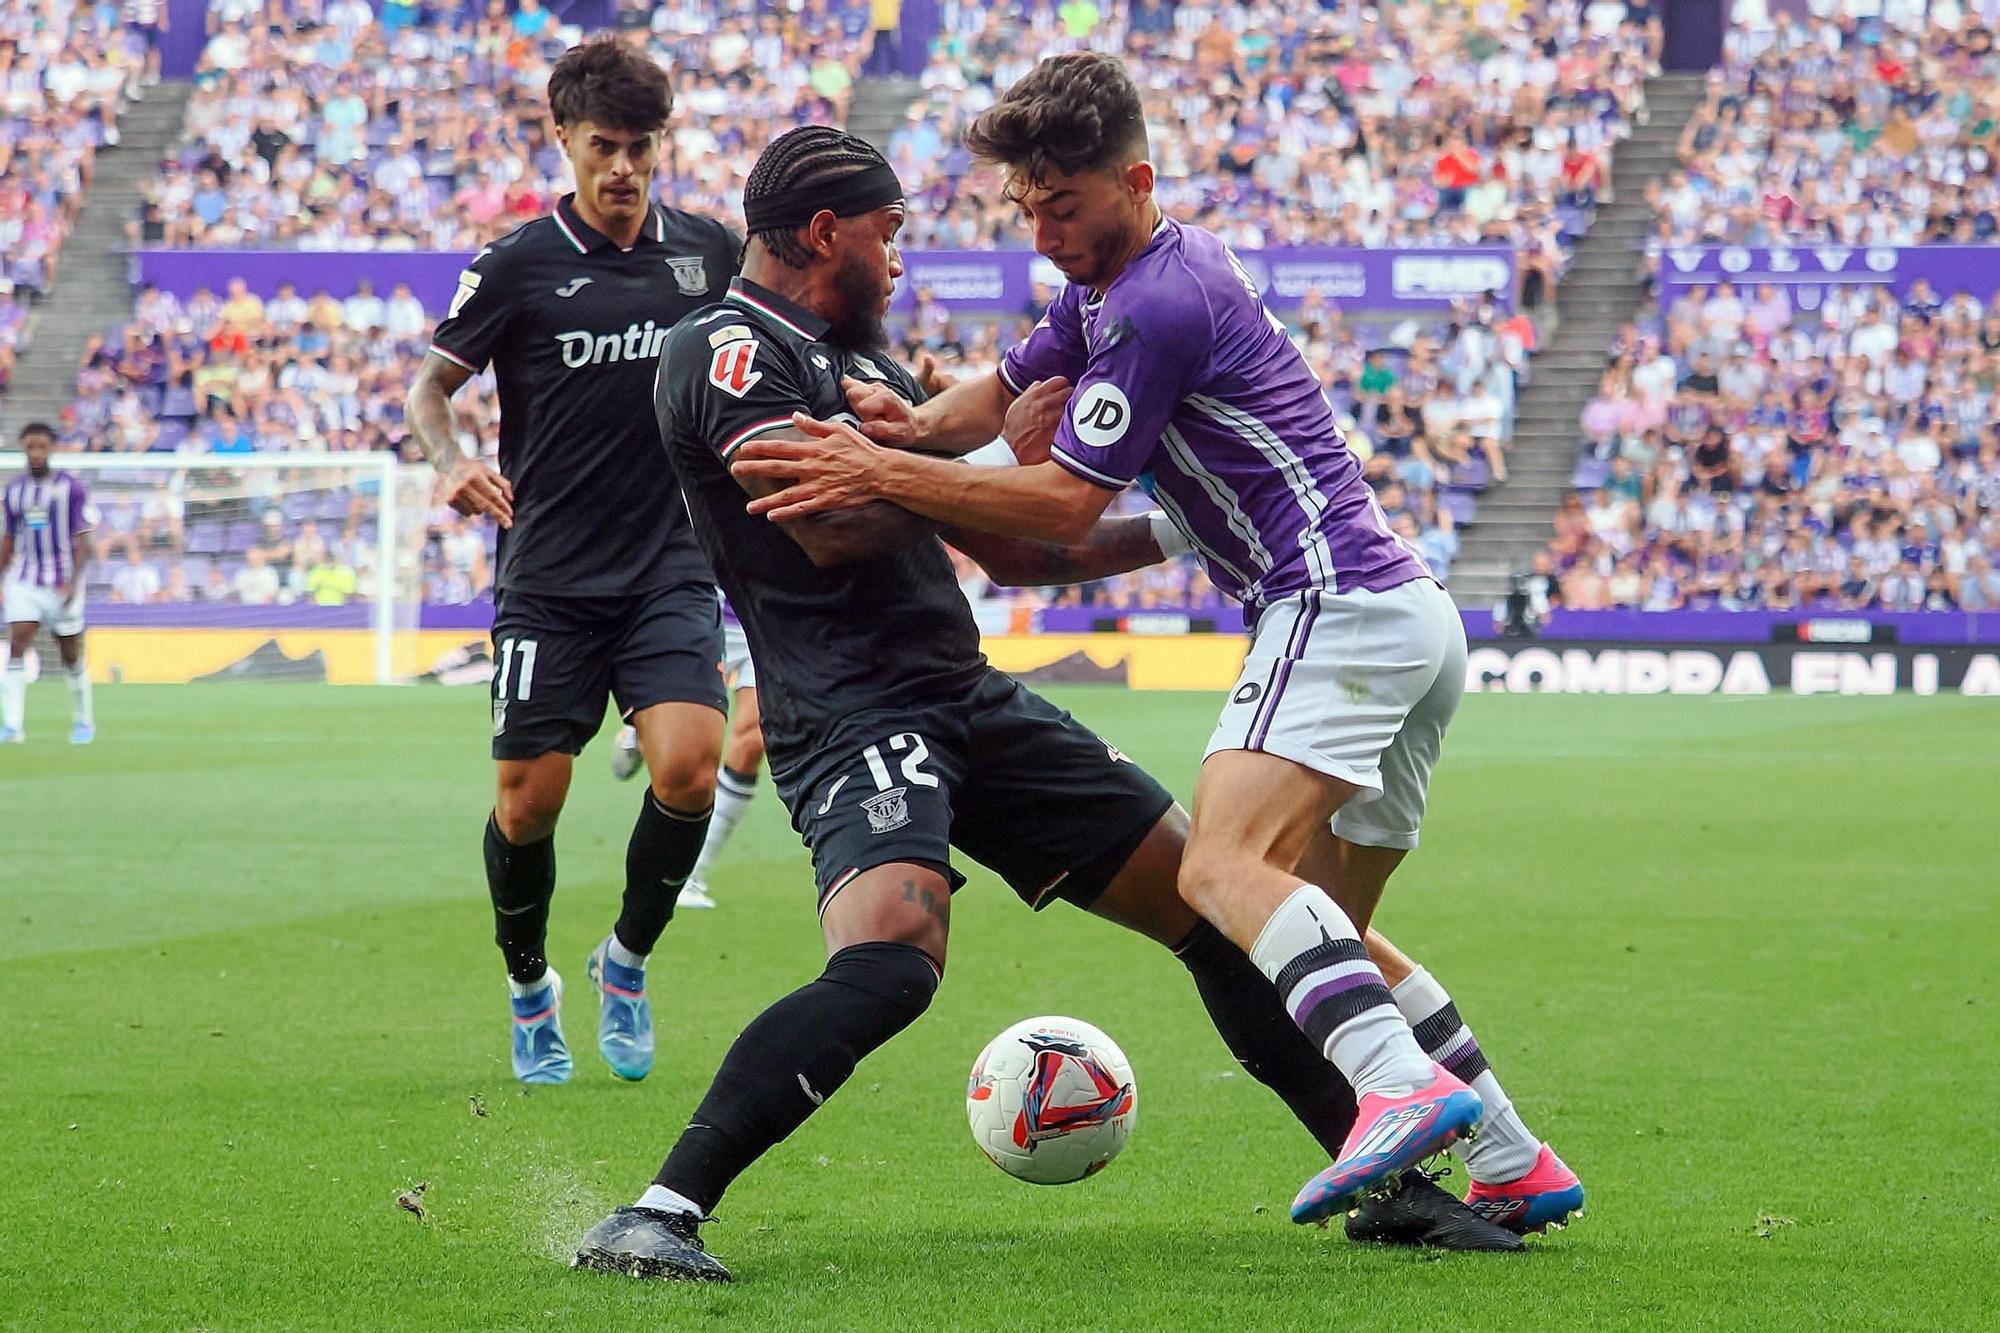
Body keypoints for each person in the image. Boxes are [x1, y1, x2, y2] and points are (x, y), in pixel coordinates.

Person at [571, 127, 1524, 1285]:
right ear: (826, 234)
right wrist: (993, 482)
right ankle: (656, 1209)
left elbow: (1018, 547)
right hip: (851, 711)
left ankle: (1385, 1184)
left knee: (1211, 910)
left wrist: (1187, 517)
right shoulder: (720, 348)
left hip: (963, 693)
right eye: (889, 235)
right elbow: (824, 523)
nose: (900, 259)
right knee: (892, 960)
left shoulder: (854, 369)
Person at [405, 37, 740, 1086]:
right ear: (562, 139)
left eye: (641, 147)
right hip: (547, 577)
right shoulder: (516, 266)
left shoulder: (708, 256)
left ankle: (627, 961)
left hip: (669, 567)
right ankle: (528, 985)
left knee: (688, 765)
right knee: (526, 803)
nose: (624, 168)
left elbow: (789, 343)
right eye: (603, 146)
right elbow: (429, 390)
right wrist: (452, 460)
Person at [610, 596, 761, 910]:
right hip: (706, 609)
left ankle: (692, 875)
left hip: (764, 613)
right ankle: (648, 726)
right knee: (684, 741)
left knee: (752, 742)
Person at [2, 423, 96, 745]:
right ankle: (13, 726)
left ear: (52, 448)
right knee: (17, 644)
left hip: (62, 582)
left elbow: (84, 540)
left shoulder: (71, 488)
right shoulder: (14, 492)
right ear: (24, 449)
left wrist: (73, 582)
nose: (37, 453)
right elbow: (8, 540)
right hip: (25, 580)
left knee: (70, 653)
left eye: (42, 446)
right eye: (31, 447)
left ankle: (84, 720)